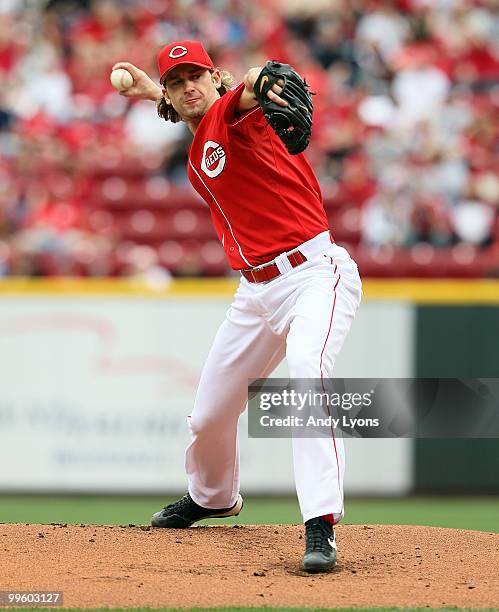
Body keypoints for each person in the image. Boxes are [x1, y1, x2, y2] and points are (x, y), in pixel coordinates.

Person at [112, 39, 362, 573]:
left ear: (214, 76)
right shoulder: (206, 127)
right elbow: (199, 114)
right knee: (208, 415)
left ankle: (320, 523)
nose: (187, 88)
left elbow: (247, 88)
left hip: (315, 275)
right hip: (255, 293)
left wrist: (260, 76)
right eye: (177, 83)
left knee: (306, 373)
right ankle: (213, 496)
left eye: (195, 77)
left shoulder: (237, 112)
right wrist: (153, 93)